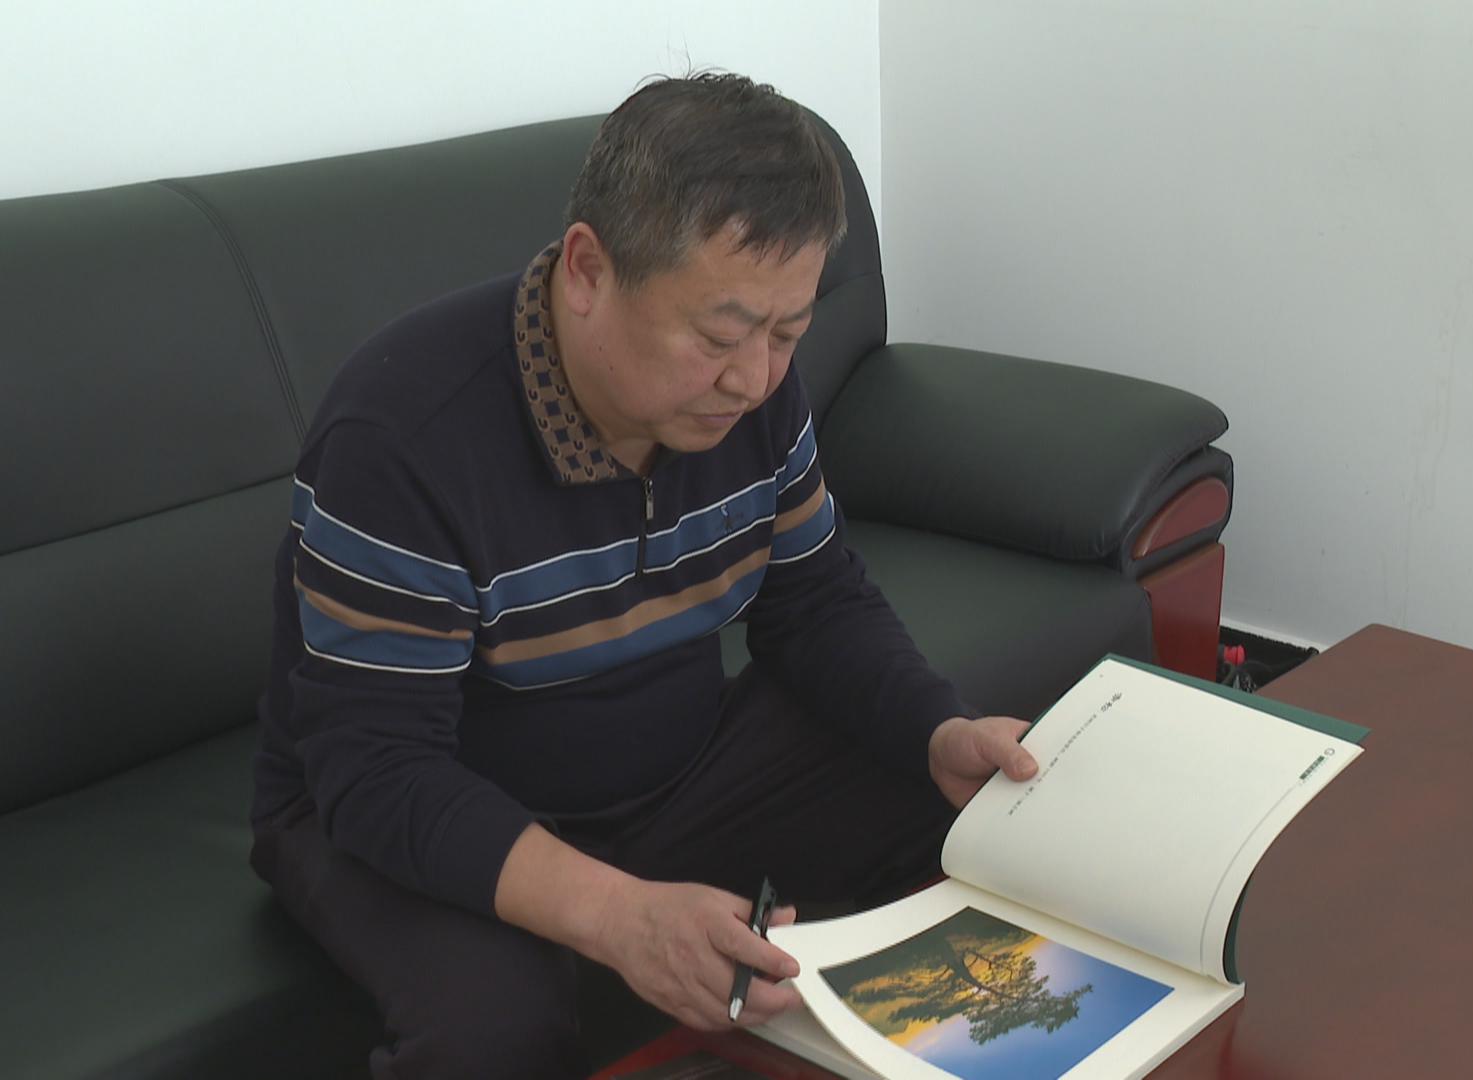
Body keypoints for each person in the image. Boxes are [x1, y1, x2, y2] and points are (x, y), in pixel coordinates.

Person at [248, 72, 1038, 1080]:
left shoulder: (753, 389)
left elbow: (814, 599)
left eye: (788, 333)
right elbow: (377, 773)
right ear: (589, 269)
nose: (754, 379)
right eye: (719, 336)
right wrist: (618, 915)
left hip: (671, 766)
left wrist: (937, 728)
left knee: (962, 808)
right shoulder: (404, 437)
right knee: (496, 1029)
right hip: (419, 802)